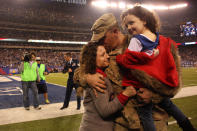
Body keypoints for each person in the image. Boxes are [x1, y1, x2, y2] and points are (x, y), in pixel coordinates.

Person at [74, 13, 174, 130]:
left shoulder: (145, 44)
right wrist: (87, 77)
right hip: (122, 125)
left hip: (153, 122)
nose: (100, 43)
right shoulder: (104, 56)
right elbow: (78, 73)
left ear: (115, 31)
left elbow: (172, 81)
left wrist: (152, 95)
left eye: (102, 38)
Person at [116, 6, 196, 131]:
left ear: (144, 20)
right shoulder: (160, 39)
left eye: (131, 23)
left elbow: (128, 60)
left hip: (142, 87)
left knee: (145, 114)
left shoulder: (136, 40)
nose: (129, 28)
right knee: (170, 106)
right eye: (126, 26)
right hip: (159, 86)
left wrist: (119, 58)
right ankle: (187, 126)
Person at [79, 42, 136, 131]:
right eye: (103, 55)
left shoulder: (99, 74)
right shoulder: (98, 79)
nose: (108, 56)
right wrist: (126, 94)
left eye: (106, 53)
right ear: (93, 60)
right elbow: (106, 110)